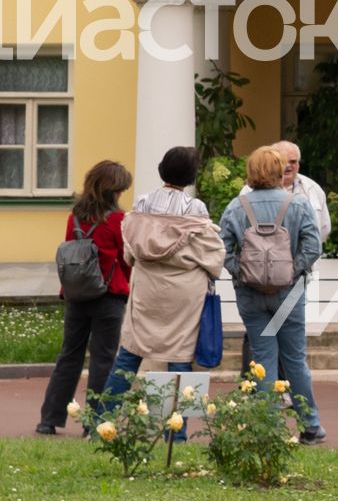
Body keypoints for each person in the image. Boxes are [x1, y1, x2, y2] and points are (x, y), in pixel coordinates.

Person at [99, 146, 229, 421]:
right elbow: (214, 255)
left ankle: (101, 422)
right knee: (179, 359)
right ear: (192, 176)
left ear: (162, 169)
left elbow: (129, 253)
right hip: (184, 295)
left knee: (130, 353)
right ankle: (175, 432)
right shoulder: (196, 209)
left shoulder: (142, 204)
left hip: (147, 290)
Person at [220, 144, 324, 440]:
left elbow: (222, 250)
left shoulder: (237, 206)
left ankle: (266, 427)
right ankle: (311, 425)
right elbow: (313, 247)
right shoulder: (298, 204)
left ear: (251, 173)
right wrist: (293, 271)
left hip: (251, 294)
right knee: (295, 360)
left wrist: (240, 272)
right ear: (280, 171)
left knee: (263, 360)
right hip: (289, 292)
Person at [39, 158, 134, 435]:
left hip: (76, 294)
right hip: (108, 295)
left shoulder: (76, 216)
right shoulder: (117, 219)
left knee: (69, 356)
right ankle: (94, 422)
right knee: (103, 359)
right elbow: (126, 258)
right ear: (112, 190)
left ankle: (50, 418)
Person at [273, 139, 333, 253]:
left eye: (292, 161)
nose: (287, 166)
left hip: (304, 264)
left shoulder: (313, 189)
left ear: (298, 164)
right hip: (266, 265)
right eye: (282, 161)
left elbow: (324, 230)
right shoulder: (253, 190)